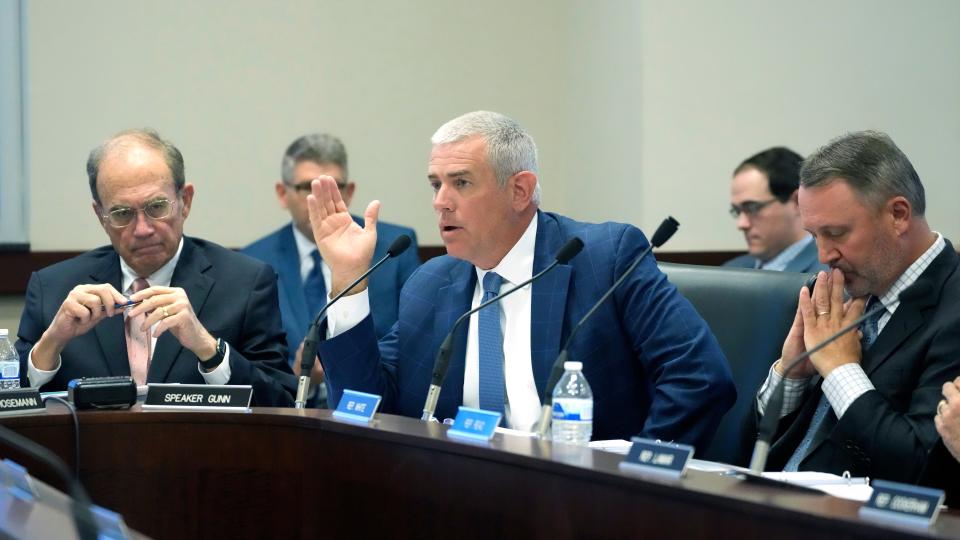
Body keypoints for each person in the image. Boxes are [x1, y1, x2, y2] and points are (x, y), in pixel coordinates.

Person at [308, 111, 735, 448]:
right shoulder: (430, 284)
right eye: (435, 184)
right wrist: (349, 279)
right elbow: (366, 407)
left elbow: (698, 378)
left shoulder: (603, 257)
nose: (440, 202)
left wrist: (637, 476)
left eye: (461, 183)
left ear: (519, 190)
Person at [15, 129, 293, 406]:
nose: (143, 229)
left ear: (185, 202)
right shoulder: (53, 289)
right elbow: (10, 406)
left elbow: (281, 404)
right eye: (122, 213)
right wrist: (50, 345)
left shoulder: (245, 283)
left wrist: (209, 349)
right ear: (101, 216)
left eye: (157, 207)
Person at [747, 131, 960, 482]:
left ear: (898, 215)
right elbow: (752, 444)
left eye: (836, 233)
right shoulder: (830, 290)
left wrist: (839, 370)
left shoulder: (951, 308)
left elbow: (922, 466)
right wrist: (791, 374)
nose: (823, 255)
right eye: (815, 236)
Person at [242, 133, 420, 398]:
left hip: (376, 407)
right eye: (307, 188)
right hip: (290, 415)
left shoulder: (393, 248)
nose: (321, 198)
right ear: (282, 193)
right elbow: (254, 367)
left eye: (333, 187)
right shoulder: (253, 261)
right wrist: (299, 373)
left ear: (349, 193)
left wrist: (343, 358)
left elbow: (413, 342)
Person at [725, 147, 825, 272]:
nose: (741, 224)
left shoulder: (827, 275)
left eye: (752, 208)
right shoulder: (730, 271)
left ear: (797, 201)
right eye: (737, 211)